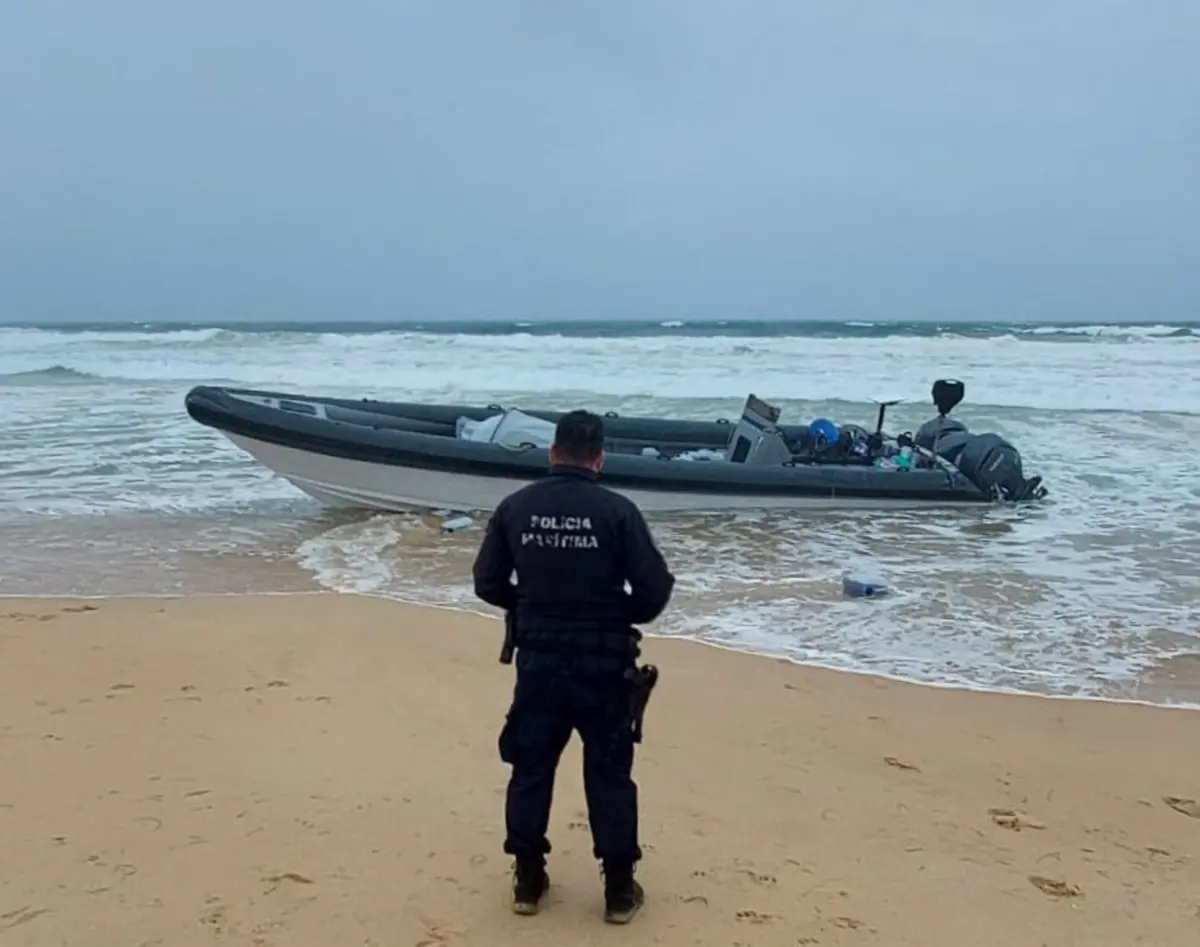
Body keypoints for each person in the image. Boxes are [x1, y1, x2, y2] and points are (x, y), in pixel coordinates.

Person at [472, 409, 675, 924]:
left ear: (552, 453)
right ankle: (620, 890)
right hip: (604, 663)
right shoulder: (618, 512)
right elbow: (655, 589)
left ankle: (528, 879)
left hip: (539, 661)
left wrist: (530, 606)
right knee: (609, 772)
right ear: (599, 460)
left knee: (530, 766)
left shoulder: (517, 507)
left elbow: (487, 581)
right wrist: (614, 613)